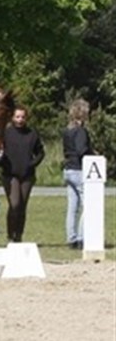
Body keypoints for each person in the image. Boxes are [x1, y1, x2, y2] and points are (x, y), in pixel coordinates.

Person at [0, 106, 44, 244]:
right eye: (17, 117)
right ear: (12, 117)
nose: (20, 120)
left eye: (23, 117)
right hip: (10, 175)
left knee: (22, 206)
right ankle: (10, 235)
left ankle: (18, 235)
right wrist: (2, 163)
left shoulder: (32, 134)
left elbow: (40, 152)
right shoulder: (5, 133)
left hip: (27, 175)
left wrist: (32, 164)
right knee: (14, 204)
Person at [62, 99, 93, 250]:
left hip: (68, 169)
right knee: (88, 205)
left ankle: (71, 237)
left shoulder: (67, 130)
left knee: (72, 207)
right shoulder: (81, 131)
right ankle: (82, 237)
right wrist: (93, 154)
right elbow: (81, 150)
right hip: (79, 169)